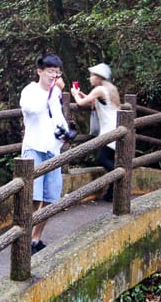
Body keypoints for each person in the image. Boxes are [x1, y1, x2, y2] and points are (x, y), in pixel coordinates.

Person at [20, 53, 70, 253]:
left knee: (50, 198)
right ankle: (23, 240)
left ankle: (35, 239)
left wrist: (66, 132)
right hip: (34, 148)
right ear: (39, 71)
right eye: (51, 72)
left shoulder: (55, 93)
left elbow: (57, 116)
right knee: (32, 198)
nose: (54, 77)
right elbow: (33, 110)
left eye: (57, 74)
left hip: (52, 149)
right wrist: (52, 93)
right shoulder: (30, 91)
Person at [70, 62, 120, 201]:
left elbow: (81, 103)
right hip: (116, 126)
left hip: (109, 129)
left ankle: (121, 177)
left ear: (98, 77)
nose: (90, 78)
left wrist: (75, 94)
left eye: (92, 75)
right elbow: (94, 102)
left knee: (103, 159)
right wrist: (82, 94)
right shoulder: (109, 88)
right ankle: (111, 194)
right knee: (109, 159)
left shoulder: (99, 89)